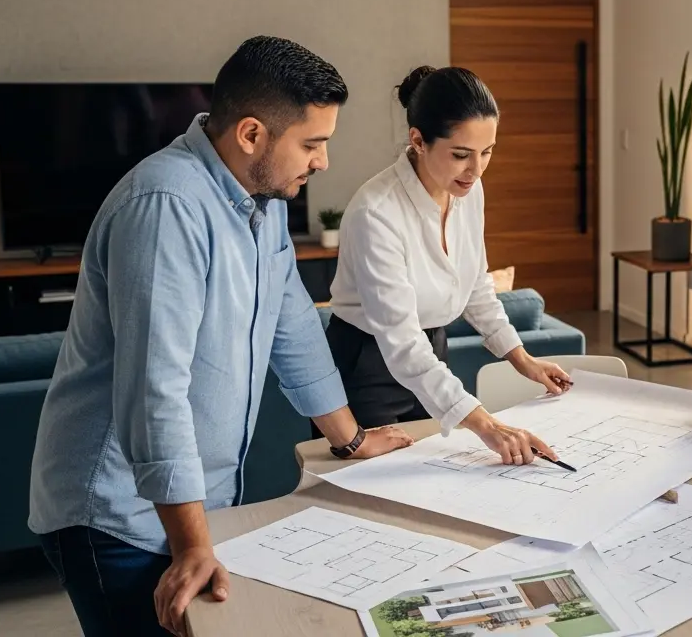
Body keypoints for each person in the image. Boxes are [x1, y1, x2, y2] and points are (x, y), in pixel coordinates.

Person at [28, 36, 415, 637]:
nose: (323, 162)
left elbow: (292, 324)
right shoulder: (166, 207)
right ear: (252, 134)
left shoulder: (262, 198)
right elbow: (155, 390)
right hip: (117, 514)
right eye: (312, 144)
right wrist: (190, 544)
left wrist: (351, 438)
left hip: (189, 507)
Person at [326, 65, 573, 466]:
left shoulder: (467, 190)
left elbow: (475, 285)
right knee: (373, 503)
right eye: (461, 154)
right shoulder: (376, 213)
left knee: (427, 482)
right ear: (418, 141)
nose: (476, 170)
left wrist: (521, 359)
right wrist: (487, 425)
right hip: (366, 366)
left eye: (487, 152)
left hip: (432, 354)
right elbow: (402, 342)